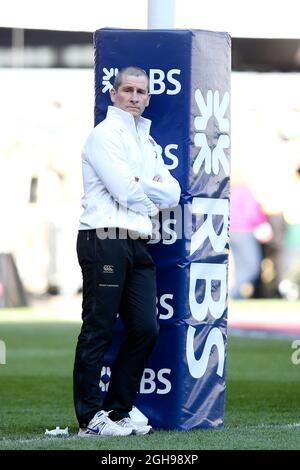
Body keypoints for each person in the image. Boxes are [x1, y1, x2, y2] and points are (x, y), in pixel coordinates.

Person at [73, 66, 181, 437]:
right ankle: (90, 418)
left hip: (135, 241)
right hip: (103, 238)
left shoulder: (146, 141)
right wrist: (149, 200)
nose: (135, 97)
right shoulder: (104, 135)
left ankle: (117, 409)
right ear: (114, 94)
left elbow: (174, 192)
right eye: (128, 90)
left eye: (141, 92)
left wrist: (142, 188)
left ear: (148, 98)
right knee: (99, 327)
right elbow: (124, 190)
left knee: (146, 329)